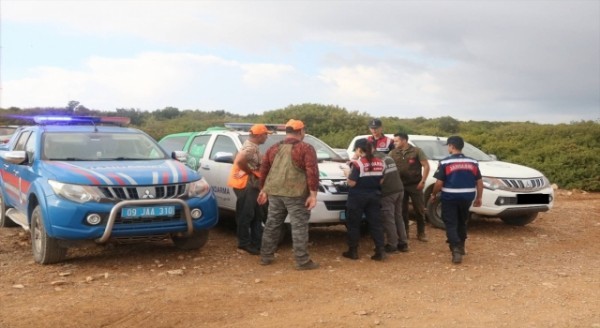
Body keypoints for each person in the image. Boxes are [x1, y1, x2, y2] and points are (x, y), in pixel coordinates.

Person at [257, 119, 320, 270]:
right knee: (299, 226)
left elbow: (264, 170)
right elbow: (312, 171)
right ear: (301, 131)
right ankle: (302, 261)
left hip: (275, 192)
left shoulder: (273, 148)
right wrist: (313, 195)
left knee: (272, 224)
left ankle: (265, 256)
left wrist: (263, 189)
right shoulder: (306, 148)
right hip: (296, 193)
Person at [430, 136, 483, 264]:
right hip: (467, 197)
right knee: (462, 221)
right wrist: (479, 197)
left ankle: (455, 250)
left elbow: (438, 183)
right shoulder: (473, 162)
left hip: (450, 197)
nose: (448, 148)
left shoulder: (445, 162)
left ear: (452, 146)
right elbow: (479, 182)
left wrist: (433, 194)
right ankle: (462, 246)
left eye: (448, 146)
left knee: (451, 223)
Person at [227, 124, 271, 255]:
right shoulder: (250, 148)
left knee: (257, 215)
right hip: (246, 185)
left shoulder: (250, 146)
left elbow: (236, 158)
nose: (267, 137)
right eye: (265, 134)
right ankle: (244, 244)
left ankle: (256, 243)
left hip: (250, 185)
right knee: (246, 215)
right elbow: (239, 160)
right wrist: (250, 172)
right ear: (258, 136)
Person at [342, 138, 387, 261]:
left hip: (357, 196)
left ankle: (353, 251)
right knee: (375, 224)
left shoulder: (358, 164)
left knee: (353, 224)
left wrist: (347, 174)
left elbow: (351, 183)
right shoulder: (380, 162)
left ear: (359, 149)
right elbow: (381, 180)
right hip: (374, 196)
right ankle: (380, 251)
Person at [390, 132, 430, 242]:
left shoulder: (417, 151)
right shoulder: (393, 153)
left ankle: (421, 233)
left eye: (396, 141)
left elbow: (426, 166)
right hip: (400, 185)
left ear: (404, 141)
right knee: (402, 210)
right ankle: (405, 233)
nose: (394, 143)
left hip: (415, 185)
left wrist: (423, 181)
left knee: (419, 209)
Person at [374, 150, 409, 253]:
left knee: (389, 219)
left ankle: (392, 245)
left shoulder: (377, 161)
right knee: (398, 217)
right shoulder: (388, 158)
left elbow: (380, 180)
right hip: (399, 189)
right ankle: (403, 243)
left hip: (388, 192)